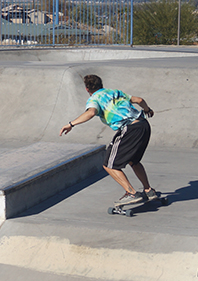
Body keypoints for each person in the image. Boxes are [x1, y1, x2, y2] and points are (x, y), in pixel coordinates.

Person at [59, 74, 157, 207]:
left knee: (109, 164)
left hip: (129, 129)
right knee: (133, 160)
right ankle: (148, 190)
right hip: (144, 125)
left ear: (87, 89)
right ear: (101, 84)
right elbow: (139, 100)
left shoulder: (94, 99)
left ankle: (131, 193)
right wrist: (148, 110)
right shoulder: (114, 92)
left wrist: (71, 124)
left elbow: (91, 113)